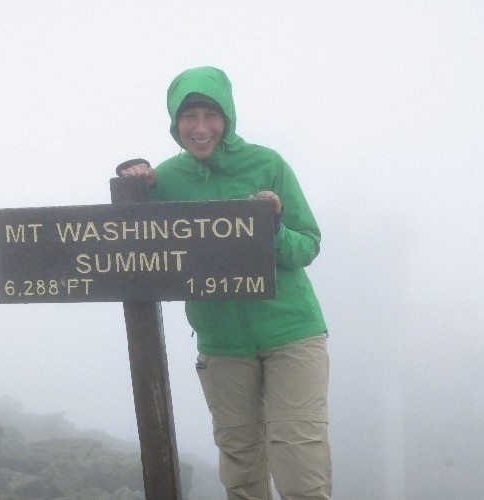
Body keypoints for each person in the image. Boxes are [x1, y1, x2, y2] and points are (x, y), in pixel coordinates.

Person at [116, 66, 331, 500]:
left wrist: (273, 228)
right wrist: (133, 177)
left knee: (300, 466)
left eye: (210, 116)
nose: (200, 129)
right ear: (175, 122)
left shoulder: (267, 163)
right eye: (188, 117)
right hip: (221, 345)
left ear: (227, 117)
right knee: (241, 467)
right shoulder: (167, 178)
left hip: (292, 333)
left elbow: (306, 245)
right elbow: (137, 236)